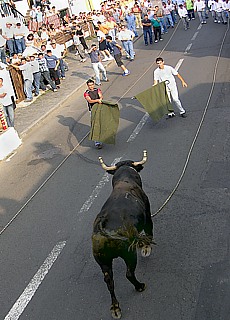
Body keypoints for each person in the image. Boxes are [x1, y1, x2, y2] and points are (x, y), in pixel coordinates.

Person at [83, 78, 103, 149]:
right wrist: (97, 100)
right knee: (95, 125)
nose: (91, 87)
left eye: (92, 85)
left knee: (101, 124)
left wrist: (100, 98)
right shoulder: (86, 93)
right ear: (87, 86)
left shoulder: (97, 90)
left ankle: (102, 138)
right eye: (89, 85)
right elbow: (90, 100)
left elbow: (100, 95)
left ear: (93, 84)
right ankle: (97, 142)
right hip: (93, 110)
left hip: (100, 109)